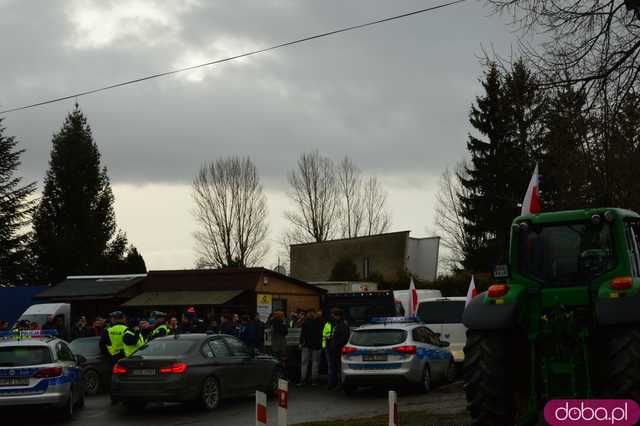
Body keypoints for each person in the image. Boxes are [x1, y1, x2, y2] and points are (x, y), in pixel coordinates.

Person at [298, 310, 323, 386]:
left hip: (306, 345)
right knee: (315, 363)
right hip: (316, 345)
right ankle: (314, 381)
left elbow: (302, 334)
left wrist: (300, 343)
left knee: (304, 363)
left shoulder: (305, 323)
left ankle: (303, 380)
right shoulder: (319, 323)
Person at [327, 309, 349, 389]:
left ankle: (339, 384)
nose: (333, 317)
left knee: (337, 367)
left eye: (334, 315)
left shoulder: (341, 325)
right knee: (335, 367)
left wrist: (334, 346)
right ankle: (336, 384)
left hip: (337, 350)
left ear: (338, 316)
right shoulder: (339, 324)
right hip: (336, 349)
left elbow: (342, 339)